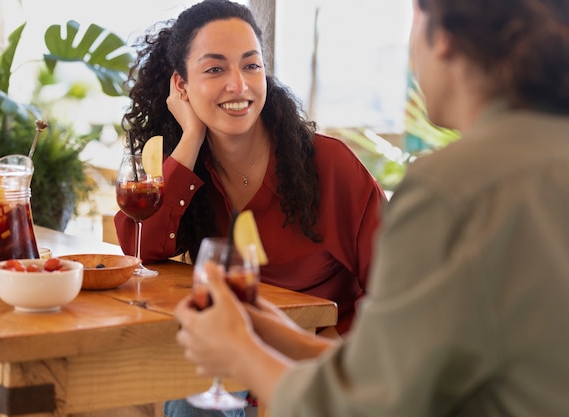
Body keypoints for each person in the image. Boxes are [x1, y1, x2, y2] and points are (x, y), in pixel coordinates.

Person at [173, 0, 569, 416]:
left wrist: (238, 352)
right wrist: (278, 333)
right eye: (215, 69)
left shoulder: (450, 187)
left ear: (443, 40)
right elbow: (410, 362)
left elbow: (363, 406)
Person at [113, 0, 386, 415]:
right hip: (230, 361)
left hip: (319, 369)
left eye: (251, 65)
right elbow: (141, 246)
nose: (239, 85)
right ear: (181, 87)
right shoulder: (190, 170)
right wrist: (190, 138)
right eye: (215, 69)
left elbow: (392, 293)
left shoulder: (331, 166)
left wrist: (332, 347)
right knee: (188, 397)